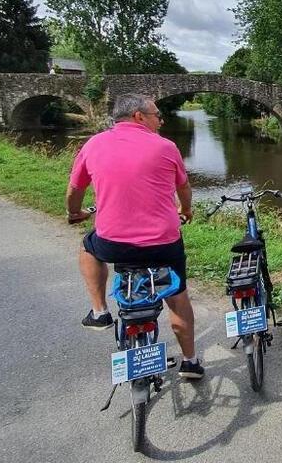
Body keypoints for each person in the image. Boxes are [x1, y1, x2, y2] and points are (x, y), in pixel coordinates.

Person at [66, 93, 204, 379]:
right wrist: (186, 209)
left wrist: (75, 212)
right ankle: (190, 361)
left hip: (113, 245)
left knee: (87, 247)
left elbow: (74, 190)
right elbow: (184, 188)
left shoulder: (93, 144)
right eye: (156, 115)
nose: (161, 120)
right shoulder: (166, 147)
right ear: (139, 116)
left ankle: (100, 310)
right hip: (162, 245)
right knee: (178, 298)